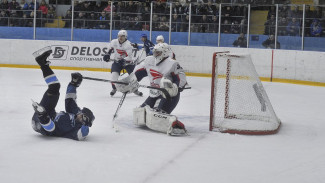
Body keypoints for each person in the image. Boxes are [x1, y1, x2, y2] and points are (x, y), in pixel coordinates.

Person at [114, 43, 188, 136]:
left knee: (156, 116)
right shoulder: (149, 60)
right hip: (153, 94)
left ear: (164, 53)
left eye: (158, 52)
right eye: (154, 52)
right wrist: (128, 83)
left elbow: (181, 80)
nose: (155, 54)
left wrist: (175, 87)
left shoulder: (173, 63)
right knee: (141, 114)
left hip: (168, 95)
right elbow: (138, 74)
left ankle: (176, 125)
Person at [31, 46, 95, 141]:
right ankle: (42, 63)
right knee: (54, 88)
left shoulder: (75, 129)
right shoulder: (76, 113)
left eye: (83, 117)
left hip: (41, 124)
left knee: (51, 128)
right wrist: (74, 84)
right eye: (82, 113)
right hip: (48, 112)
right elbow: (70, 99)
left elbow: (82, 135)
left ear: (84, 122)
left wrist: (43, 116)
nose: (80, 114)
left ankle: (42, 116)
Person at [103, 30, 143, 97]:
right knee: (113, 76)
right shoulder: (114, 42)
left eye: (122, 36)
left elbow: (129, 57)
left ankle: (135, 90)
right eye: (119, 36)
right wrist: (107, 55)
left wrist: (123, 60)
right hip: (117, 62)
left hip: (128, 63)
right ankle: (114, 88)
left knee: (133, 77)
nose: (120, 37)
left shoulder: (128, 44)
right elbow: (109, 49)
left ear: (126, 37)